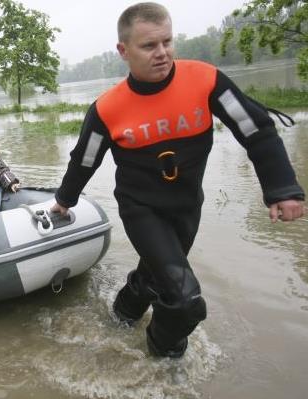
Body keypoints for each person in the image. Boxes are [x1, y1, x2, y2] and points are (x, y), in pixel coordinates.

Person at [50, 2, 305, 358]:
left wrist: (282, 188)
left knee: (156, 275)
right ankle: (162, 362)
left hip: (187, 208)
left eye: (168, 42)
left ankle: (121, 316)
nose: (162, 53)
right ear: (124, 51)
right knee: (185, 300)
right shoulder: (107, 109)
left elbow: (255, 129)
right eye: (149, 46)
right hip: (141, 211)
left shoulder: (205, 80)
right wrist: (65, 199)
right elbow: (85, 160)